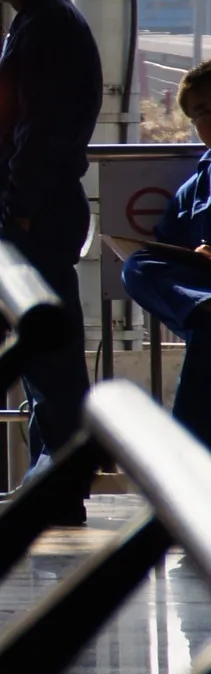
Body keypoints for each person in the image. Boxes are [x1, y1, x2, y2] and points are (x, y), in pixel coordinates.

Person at [0, 0, 103, 478]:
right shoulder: (39, 22)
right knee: (42, 351)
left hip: (36, 216)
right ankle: (51, 475)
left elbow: (39, 133)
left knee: (50, 354)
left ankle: (59, 481)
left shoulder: (48, 28)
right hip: (33, 212)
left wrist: (17, 215)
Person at [119, 63, 211, 448]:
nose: (208, 119)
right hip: (203, 289)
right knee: (137, 265)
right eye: (200, 113)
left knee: (208, 339)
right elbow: (165, 248)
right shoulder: (195, 186)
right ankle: (204, 308)